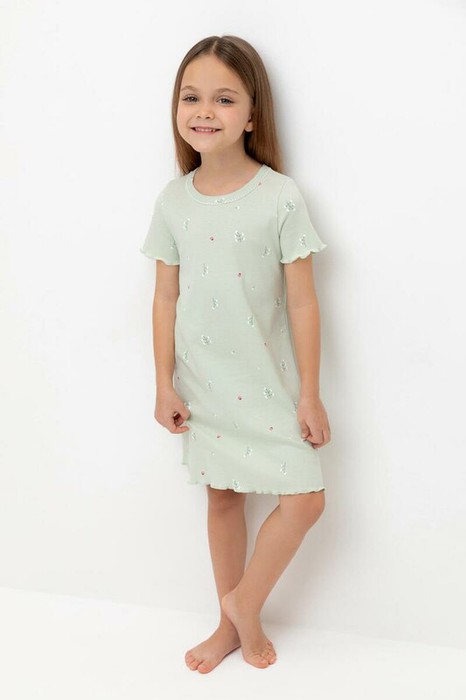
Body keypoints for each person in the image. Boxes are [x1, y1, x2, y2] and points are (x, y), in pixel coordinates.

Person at [140, 34, 331, 673]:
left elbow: (303, 303)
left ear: (252, 115)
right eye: (191, 97)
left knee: (305, 500)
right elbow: (165, 298)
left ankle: (243, 603)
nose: (204, 111)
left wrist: (310, 394)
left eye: (224, 99)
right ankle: (229, 627)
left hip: (271, 386)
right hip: (204, 384)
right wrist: (163, 383)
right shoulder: (174, 201)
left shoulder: (279, 196)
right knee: (223, 499)